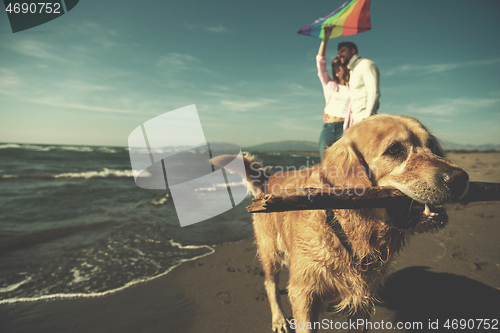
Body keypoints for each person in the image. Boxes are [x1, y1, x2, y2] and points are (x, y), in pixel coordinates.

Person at [316, 26, 351, 160]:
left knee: (343, 164)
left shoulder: (352, 87)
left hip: (345, 129)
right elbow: (320, 63)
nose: (337, 71)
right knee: (325, 163)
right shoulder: (329, 85)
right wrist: (325, 38)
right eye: (335, 68)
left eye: (339, 67)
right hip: (328, 128)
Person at [337, 41, 380, 125]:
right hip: (355, 120)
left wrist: (367, 118)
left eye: (343, 51)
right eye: (339, 53)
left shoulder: (365, 64)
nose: (339, 55)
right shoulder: (352, 71)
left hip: (365, 119)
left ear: (353, 51)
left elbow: (374, 92)